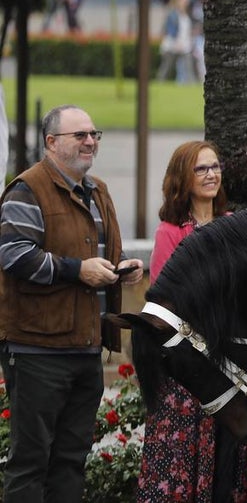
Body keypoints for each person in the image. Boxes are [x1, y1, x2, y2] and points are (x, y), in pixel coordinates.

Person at [0, 105, 144, 501]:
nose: (90, 141)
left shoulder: (98, 191)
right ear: (51, 143)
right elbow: (13, 256)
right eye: (79, 135)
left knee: (72, 459)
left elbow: (92, 258)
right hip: (37, 349)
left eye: (94, 134)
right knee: (31, 461)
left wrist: (120, 270)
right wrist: (77, 271)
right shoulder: (28, 188)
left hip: (85, 345)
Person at [137, 140, 247, 501]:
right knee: (188, 454)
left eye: (215, 166)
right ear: (182, 178)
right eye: (201, 169)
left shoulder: (233, 224)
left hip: (234, 358)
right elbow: (165, 301)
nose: (212, 174)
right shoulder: (170, 232)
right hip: (190, 364)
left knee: (230, 455)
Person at [157, 0, 194, 84]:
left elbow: (187, 31)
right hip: (172, 45)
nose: (185, 1)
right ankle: (159, 83)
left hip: (184, 46)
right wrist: (176, 42)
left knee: (188, 66)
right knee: (166, 68)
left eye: (186, 0)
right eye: (183, 0)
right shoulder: (173, 15)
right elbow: (170, 31)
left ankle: (191, 84)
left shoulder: (187, 15)